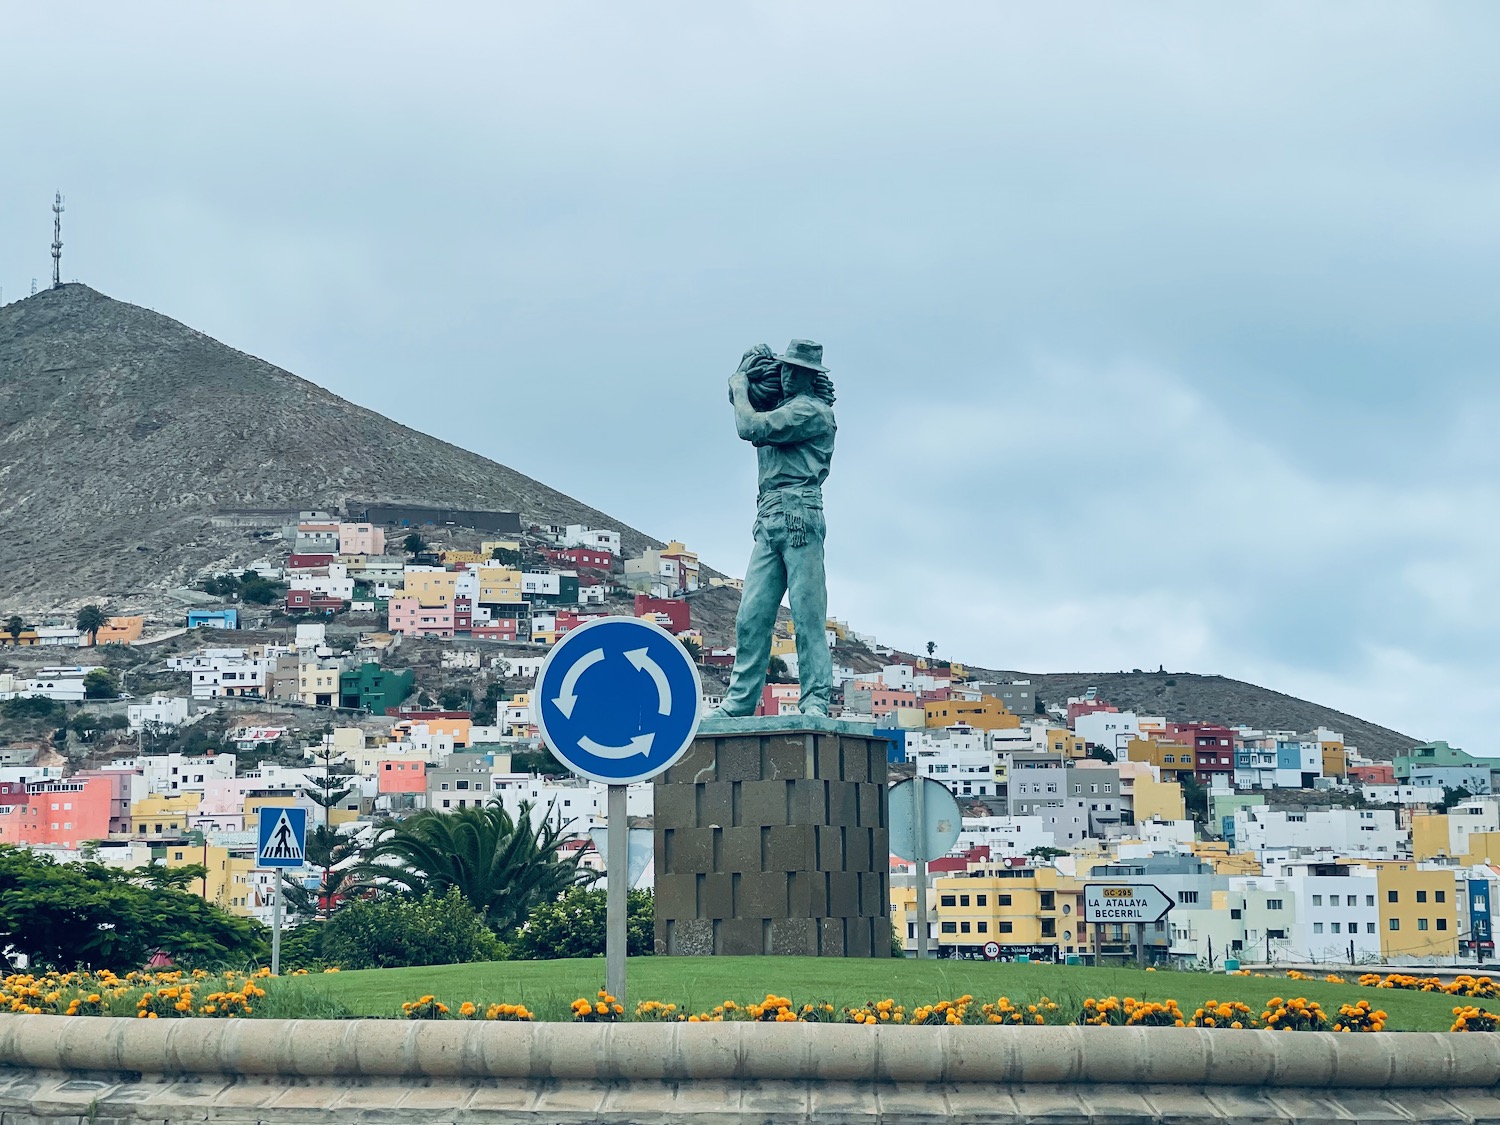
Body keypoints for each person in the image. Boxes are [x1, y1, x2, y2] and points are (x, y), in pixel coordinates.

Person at [714, 340, 837, 717]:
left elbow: (748, 424)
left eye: (791, 368)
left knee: (806, 615)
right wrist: (749, 369)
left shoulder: (810, 412)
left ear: (804, 375)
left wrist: (739, 386)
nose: (784, 373)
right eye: (782, 366)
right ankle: (740, 702)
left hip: (800, 513)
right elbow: (746, 401)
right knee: (751, 616)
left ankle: (815, 699)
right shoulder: (782, 408)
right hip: (768, 517)